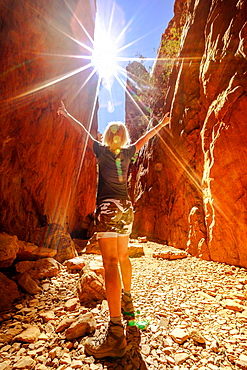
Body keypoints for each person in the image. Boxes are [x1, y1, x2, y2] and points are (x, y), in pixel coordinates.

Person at [57, 102, 170, 358]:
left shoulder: (101, 150)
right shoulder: (129, 151)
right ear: (124, 137)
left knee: (109, 263)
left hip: (107, 209)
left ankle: (116, 332)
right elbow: (144, 138)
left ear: (107, 138)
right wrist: (162, 124)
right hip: (126, 209)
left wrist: (66, 114)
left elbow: (82, 131)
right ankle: (127, 301)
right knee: (122, 257)